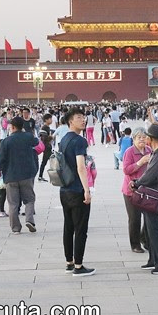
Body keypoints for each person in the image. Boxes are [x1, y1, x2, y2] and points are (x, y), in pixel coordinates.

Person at [130, 124, 158, 274]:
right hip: (152, 194)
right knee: (148, 229)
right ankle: (153, 260)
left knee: (154, 230)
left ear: (151, 138)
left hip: (155, 196)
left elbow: (151, 175)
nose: (145, 138)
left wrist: (137, 182)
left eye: (146, 136)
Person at [59, 108, 95, 276]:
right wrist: (86, 189)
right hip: (76, 190)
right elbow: (81, 167)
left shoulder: (64, 139)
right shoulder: (79, 141)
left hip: (64, 190)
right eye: (78, 117)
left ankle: (69, 262)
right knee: (80, 229)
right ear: (70, 121)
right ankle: (79, 266)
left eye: (83, 117)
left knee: (68, 226)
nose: (83, 120)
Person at [0, 116, 39, 234]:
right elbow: (36, 142)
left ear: (12, 127)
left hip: (11, 176)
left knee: (13, 203)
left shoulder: (6, 141)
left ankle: (15, 228)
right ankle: (30, 220)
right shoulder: (29, 137)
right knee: (29, 199)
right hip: (27, 174)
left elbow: (0, 159)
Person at [121, 127, 150, 253]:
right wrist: (140, 162)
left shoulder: (149, 150)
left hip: (146, 189)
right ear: (133, 139)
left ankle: (145, 238)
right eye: (139, 138)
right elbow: (126, 170)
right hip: (131, 190)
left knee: (149, 217)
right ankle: (135, 244)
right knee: (134, 218)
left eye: (144, 137)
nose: (142, 140)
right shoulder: (129, 152)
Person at [37, 114, 54, 182]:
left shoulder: (47, 127)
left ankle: (41, 176)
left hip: (48, 146)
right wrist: (51, 137)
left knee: (51, 161)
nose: (51, 120)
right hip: (46, 147)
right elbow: (44, 138)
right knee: (45, 162)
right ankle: (40, 176)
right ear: (46, 120)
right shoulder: (44, 128)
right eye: (50, 119)